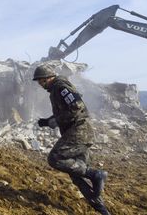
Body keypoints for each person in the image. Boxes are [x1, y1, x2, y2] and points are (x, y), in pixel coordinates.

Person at [33, 65, 111, 215]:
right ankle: (103, 211)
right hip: (76, 133)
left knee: (55, 158)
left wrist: (56, 120)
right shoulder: (55, 90)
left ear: (48, 78)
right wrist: (47, 121)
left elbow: (76, 107)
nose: (40, 85)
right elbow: (64, 112)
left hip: (79, 132)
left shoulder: (61, 87)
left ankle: (95, 174)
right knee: (76, 174)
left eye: (41, 81)